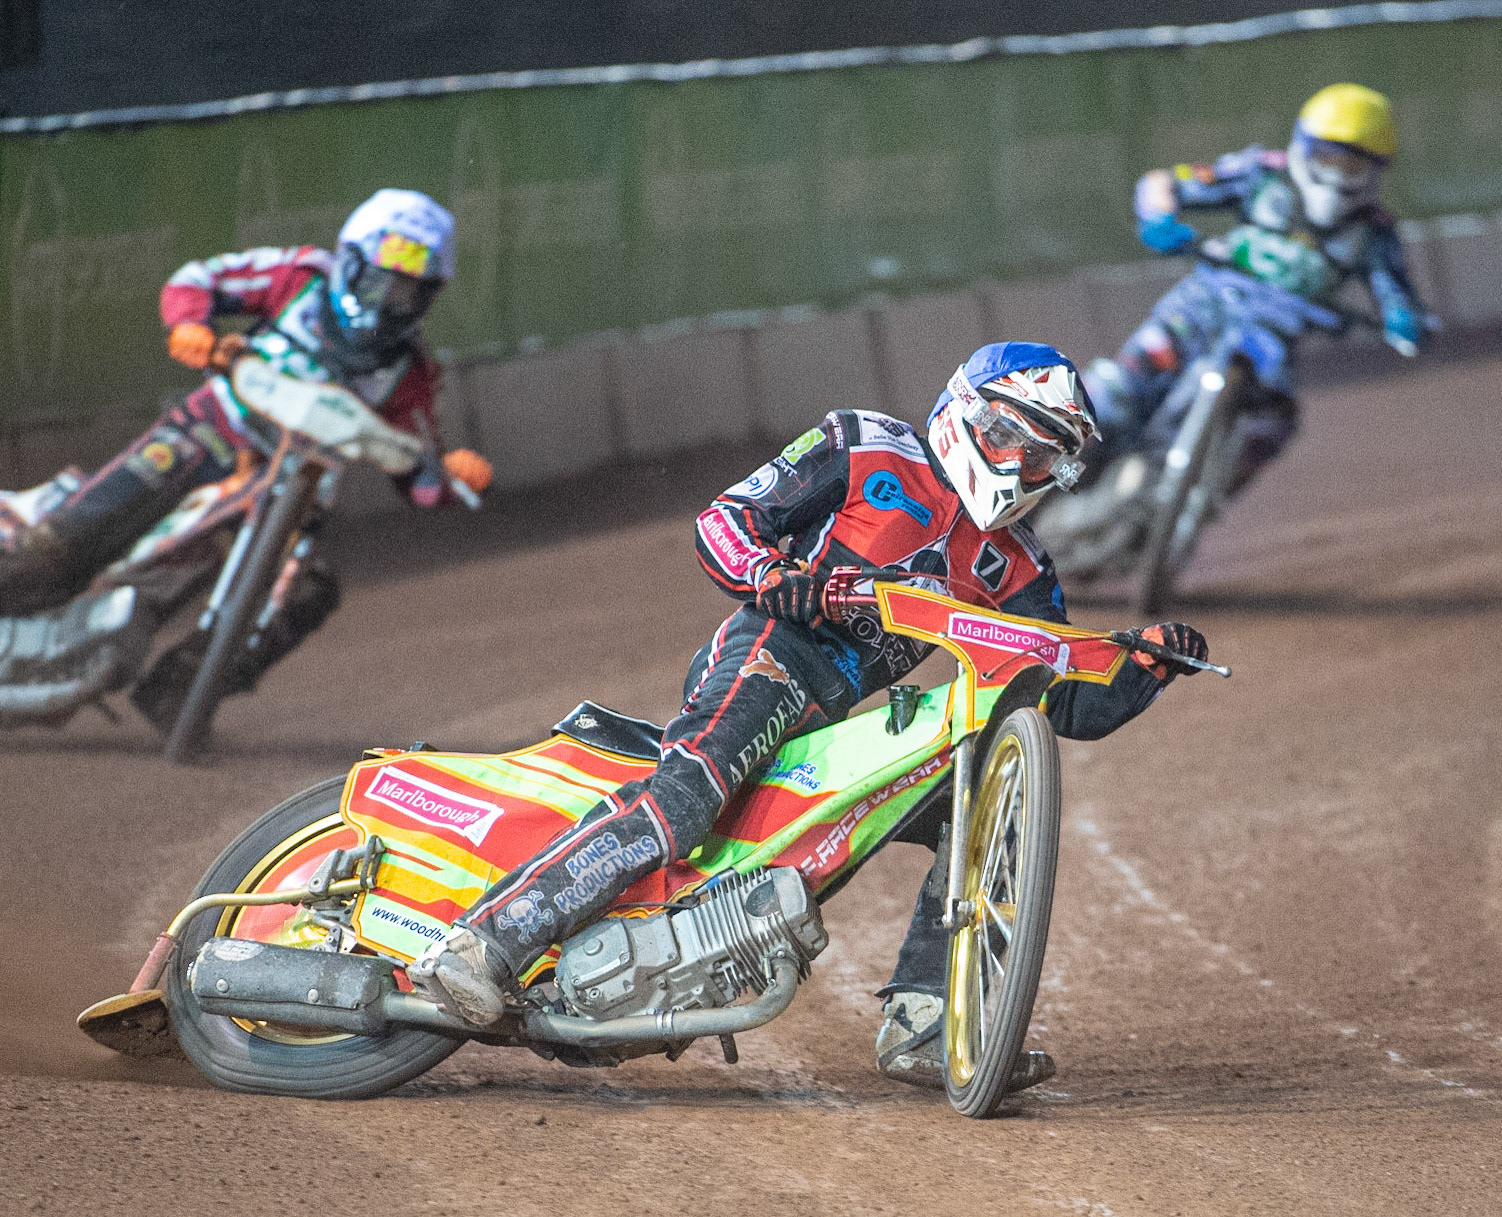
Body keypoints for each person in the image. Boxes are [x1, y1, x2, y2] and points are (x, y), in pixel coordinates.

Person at [408, 341, 1209, 1093]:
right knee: (685, 798)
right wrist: (773, 577)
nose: (1020, 466)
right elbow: (725, 520)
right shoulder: (865, 444)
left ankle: (924, 1023)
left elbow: (1061, 697)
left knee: (977, 806)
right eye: (1012, 439)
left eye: (1041, 458)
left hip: (842, 720)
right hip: (772, 653)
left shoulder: (1020, 566)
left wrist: (1142, 668)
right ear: (969, 413)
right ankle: (486, 942)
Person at [0, 188, 494, 732]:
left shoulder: (410, 373)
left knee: (306, 592)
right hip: (205, 435)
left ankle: (177, 696)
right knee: (66, 541)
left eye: (407, 293)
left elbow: (413, 467)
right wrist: (190, 325)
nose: (387, 301)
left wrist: (451, 476)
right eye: (379, 281)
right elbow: (199, 278)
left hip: (292, 492)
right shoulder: (298, 278)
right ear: (349, 261)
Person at [1083, 82, 1430, 487]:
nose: (1336, 174)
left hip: (1270, 343)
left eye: (1351, 166)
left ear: (1375, 170)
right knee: (1112, 392)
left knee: (1272, 426)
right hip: (1200, 308)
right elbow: (1164, 183)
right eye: (1327, 158)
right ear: (1305, 146)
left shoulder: (1374, 232)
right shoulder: (1262, 173)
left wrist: (1404, 320)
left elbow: (1397, 295)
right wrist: (1159, 217)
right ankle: (1041, 478)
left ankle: (1197, 503)